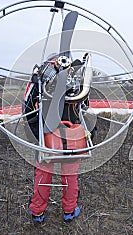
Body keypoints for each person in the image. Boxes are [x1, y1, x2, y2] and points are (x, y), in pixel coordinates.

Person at [23, 55, 89, 224]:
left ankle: (37, 212)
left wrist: (37, 136)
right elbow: (85, 108)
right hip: (71, 139)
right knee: (70, 177)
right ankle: (69, 210)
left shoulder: (39, 84)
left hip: (47, 140)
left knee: (43, 177)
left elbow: (28, 108)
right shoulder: (76, 84)